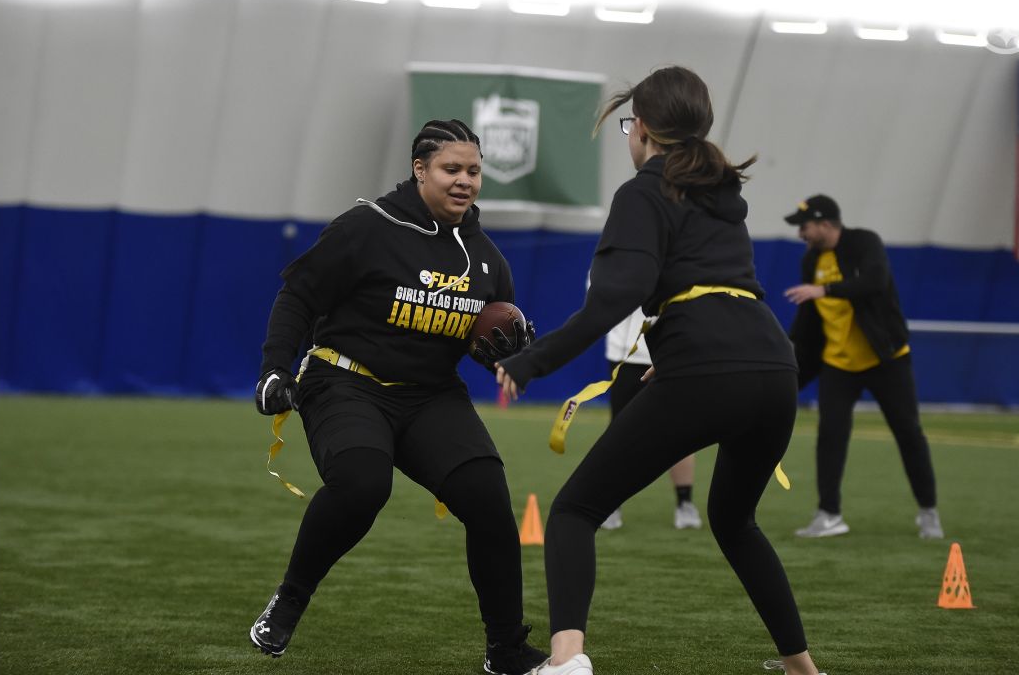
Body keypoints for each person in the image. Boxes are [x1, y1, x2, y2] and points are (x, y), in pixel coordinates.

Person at [495, 66, 824, 675]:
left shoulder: (643, 192)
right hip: (774, 367)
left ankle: (566, 662)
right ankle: (804, 670)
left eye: (628, 126)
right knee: (734, 519)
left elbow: (616, 297)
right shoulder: (723, 198)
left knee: (573, 513)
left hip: (706, 370)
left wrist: (532, 361)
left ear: (641, 129)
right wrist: (675, 356)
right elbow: (718, 290)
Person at [249, 119, 548, 675]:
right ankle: (290, 598)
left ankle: (506, 649)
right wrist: (274, 368)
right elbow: (298, 296)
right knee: (363, 485)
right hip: (345, 381)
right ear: (420, 170)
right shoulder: (367, 226)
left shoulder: (486, 258)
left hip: (430, 394)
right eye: (451, 169)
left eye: (474, 171)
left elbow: (495, 332)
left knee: (488, 499)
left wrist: (509, 355)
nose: (465, 181)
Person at [781, 194, 943, 540]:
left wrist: (825, 289)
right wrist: (787, 366)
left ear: (825, 224)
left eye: (804, 227)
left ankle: (928, 511)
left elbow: (874, 280)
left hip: (887, 360)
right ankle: (829, 514)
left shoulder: (864, 243)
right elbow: (808, 322)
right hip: (838, 365)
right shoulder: (811, 261)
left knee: (908, 433)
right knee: (831, 436)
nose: (801, 234)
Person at [599, 307, 701, 531]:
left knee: (678, 430)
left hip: (668, 353)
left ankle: (685, 503)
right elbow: (603, 298)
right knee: (621, 431)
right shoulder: (608, 270)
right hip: (625, 356)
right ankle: (610, 505)